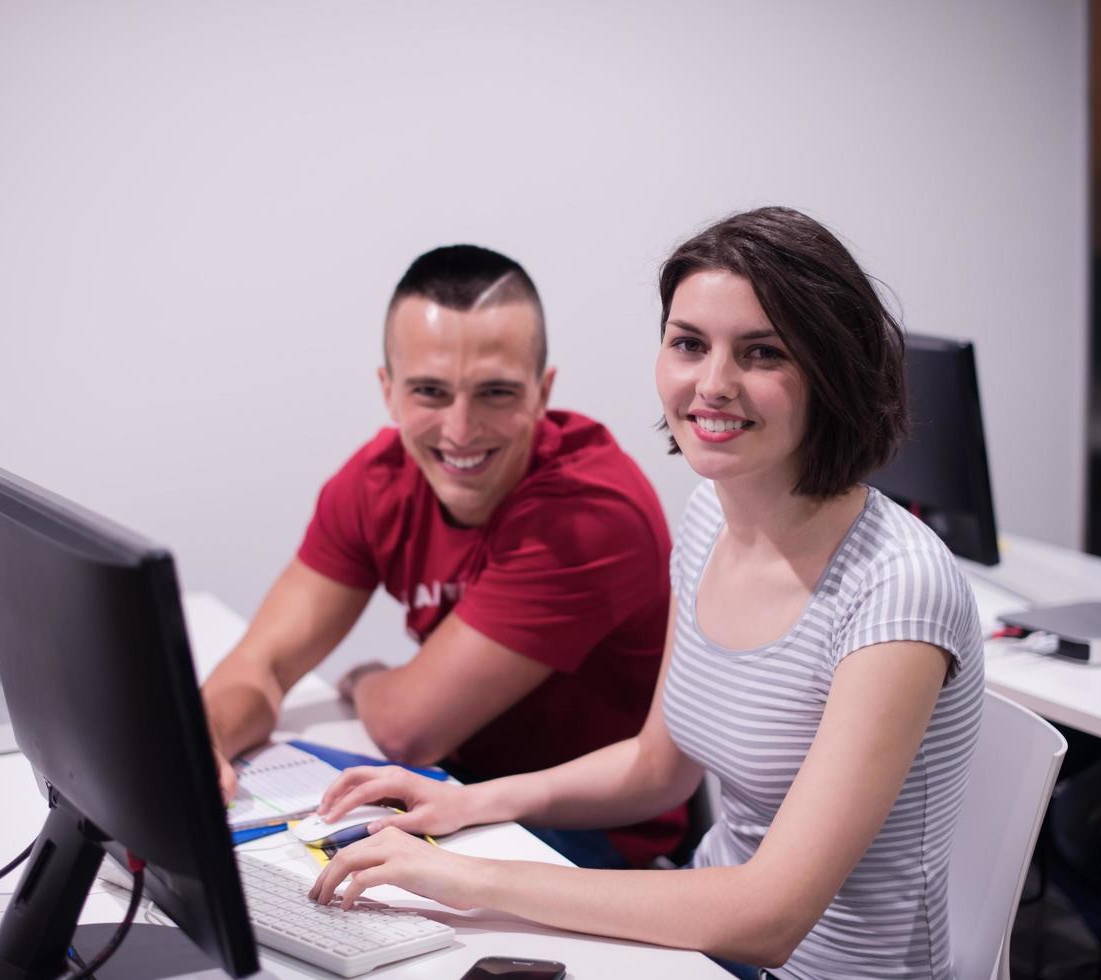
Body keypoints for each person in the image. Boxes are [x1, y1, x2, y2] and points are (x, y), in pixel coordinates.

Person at [306, 208, 987, 980]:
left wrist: (465, 879)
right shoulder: (708, 519)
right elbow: (657, 768)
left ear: (833, 372)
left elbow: (770, 918)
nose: (713, 384)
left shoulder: (898, 586)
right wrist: (467, 803)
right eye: (689, 344)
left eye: (762, 353)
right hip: (698, 953)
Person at [201, 244, 686, 869]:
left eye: (495, 393)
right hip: (446, 788)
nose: (460, 430)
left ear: (543, 393)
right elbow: (259, 664)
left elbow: (411, 728)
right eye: (431, 391)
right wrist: (202, 742)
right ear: (389, 390)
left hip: (584, 838)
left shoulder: (589, 515)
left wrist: (366, 679)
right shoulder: (376, 481)